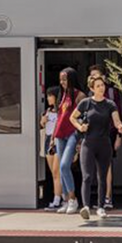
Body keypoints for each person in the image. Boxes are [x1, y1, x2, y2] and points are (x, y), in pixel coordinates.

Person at [70, 75, 122, 220]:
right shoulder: (85, 103)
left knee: (102, 177)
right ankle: (86, 207)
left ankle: (101, 207)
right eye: (98, 86)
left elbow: (116, 120)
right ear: (92, 89)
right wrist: (80, 127)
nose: (102, 88)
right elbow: (72, 117)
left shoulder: (110, 104)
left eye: (102, 85)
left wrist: (119, 126)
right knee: (87, 176)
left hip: (104, 144)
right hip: (88, 143)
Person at [87, 65, 122, 209]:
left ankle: (107, 198)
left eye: (97, 75)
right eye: (92, 76)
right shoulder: (89, 97)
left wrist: (119, 137)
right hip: (92, 134)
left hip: (109, 133)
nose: (95, 79)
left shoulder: (111, 93)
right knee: (94, 167)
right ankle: (99, 199)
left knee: (106, 166)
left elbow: (119, 116)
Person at [50, 67, 85, 214]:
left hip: (73, 134)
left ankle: (72, 199)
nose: (62, 82)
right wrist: (52, 137)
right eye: (61, 79)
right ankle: (65, 200)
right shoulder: (62, 95)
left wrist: (80, 141)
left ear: (71, 79)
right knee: (61, 169)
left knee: (64, 166)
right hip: (60, 135)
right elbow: (59, 118)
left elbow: (83, 118)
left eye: (65, 79)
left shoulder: (80, 96)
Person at [40, 89, 63, 210]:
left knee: (57, 171)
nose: (48, 98)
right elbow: (42, 125)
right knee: (54, 173)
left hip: (57, 140)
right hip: (48, 140)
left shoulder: (61, 111)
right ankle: (62, 197)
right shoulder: (47, 111)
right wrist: (42, 121)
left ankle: (57, 199)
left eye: (50, 96)